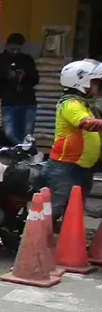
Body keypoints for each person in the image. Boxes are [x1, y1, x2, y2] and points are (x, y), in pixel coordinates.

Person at [46, 60, 102, 223]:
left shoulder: (87, 105)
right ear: (81, 81)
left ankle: (67, 243)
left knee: (75, 209)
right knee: (55, 208)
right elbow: (86, 124)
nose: (97, 87)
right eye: (95, 82)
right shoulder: (70, 104)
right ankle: (36, 241)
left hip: (83, 167)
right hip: (65, 167)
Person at [0, 33, 40, 144]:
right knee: (9, 133)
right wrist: (5, 76)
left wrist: (25, 75)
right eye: (12, 49)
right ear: (6, 45)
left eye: (18, 49)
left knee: (27, 134)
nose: (15, 52)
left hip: (27, 101)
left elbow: (36, 80)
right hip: (8, 102)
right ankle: (20, 149)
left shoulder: (27, 60)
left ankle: (24, 152)